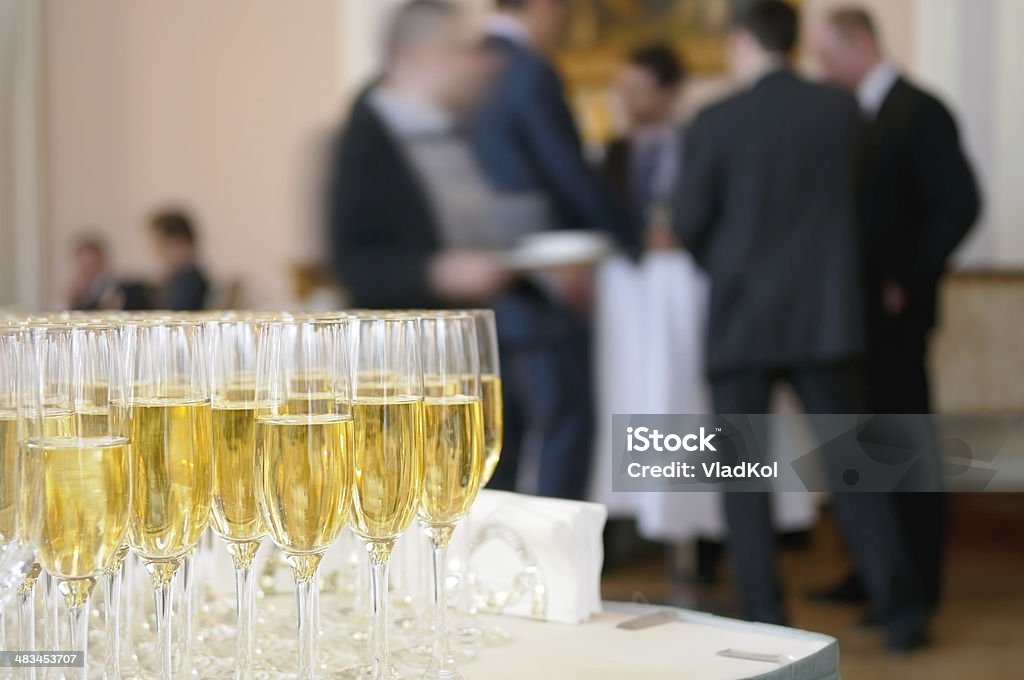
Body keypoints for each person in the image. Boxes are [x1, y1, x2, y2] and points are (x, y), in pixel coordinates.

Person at [673, 0, 930, 652]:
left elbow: (687, 224)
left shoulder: (716, 119)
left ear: (738, 43)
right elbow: (871, 205)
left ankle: (763, 616)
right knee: (854, 471)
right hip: (826, 314)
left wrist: (728, 269)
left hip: (740, 318)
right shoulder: (841, 111)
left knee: (744, 477)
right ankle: (903, 614)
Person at [809, 6, 981, 615]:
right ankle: (875, 569)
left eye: (827, 56)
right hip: (852, 316)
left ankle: (917, 586)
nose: (821, 69)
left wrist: (908, 276)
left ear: (860, 46)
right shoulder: (850, 118)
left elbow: (960, 204)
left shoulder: (919, 109)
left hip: (897, 316)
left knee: (906, 447)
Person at [327, 0, 511, 312]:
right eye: (452, 49)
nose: (468, 64)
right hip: (404, 341)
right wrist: (433, 274)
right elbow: (353, 265)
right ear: (408, 55)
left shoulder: (457, 127)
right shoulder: (365, 140)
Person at [604, 44, 685, 247]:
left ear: (666, 93)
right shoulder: (615, 151)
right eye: (623, 89)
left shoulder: (695, 144)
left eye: (637, 89)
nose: (626, 98)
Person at [149, 209, 209, 311]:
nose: (158, 250)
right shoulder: (181, 277)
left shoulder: (188, 282)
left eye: (161, 242)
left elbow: (172, 315)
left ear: (180, 242)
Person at [65, 235, 117, 310]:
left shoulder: (113, 288)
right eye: (85, 265)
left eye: (92, 264)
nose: (89, 270)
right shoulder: (73, 292)